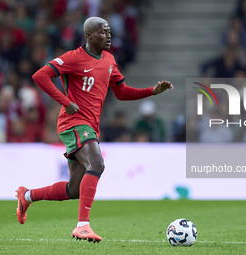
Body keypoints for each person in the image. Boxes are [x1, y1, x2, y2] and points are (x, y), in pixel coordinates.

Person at [15, 17, 174, 243]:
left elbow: (121, 92)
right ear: (89, 35)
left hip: (89, 126)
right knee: (97, 164)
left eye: (109, 31)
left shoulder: (109, 60)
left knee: (75, 190)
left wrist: (151, 91)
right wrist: (65, 101)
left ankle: (27, 196)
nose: (108, 36)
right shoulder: (74, 57)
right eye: (102, 32)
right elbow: (40, 76)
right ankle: (82, 226)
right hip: (74, 122)